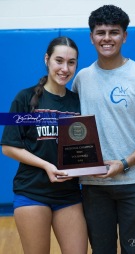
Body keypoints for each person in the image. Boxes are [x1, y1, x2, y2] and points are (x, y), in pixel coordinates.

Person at [72, 5, 135, 254]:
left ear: (124, 36)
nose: (107, 38)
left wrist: (124, 163)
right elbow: (72, 128)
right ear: (91, 37)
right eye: (100, 32)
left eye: (114, 32)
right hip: (94, 186)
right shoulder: (81, 79)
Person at [1, 36, 88, 254]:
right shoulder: (23, 97)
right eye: (59, 60)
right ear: (47, 59)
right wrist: (46, 166)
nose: (65, 68)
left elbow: (83, 150)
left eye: (71, 63)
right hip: (31, 192)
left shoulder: (79, 102)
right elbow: (8, 147)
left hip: (68, 195)